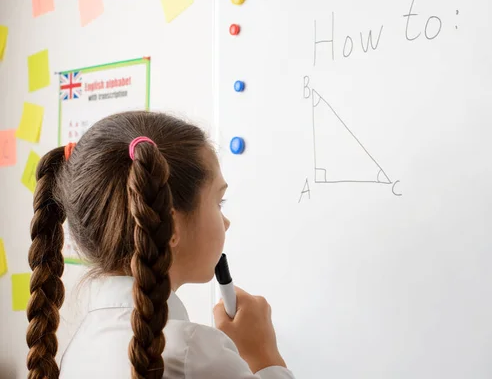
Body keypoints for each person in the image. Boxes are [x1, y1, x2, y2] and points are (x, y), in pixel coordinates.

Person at [25, 111, 294, 379]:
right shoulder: (194, 352)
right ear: (171, 226)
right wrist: (263, 355)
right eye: (218, 202)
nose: (226, 222)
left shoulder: (81, 344)